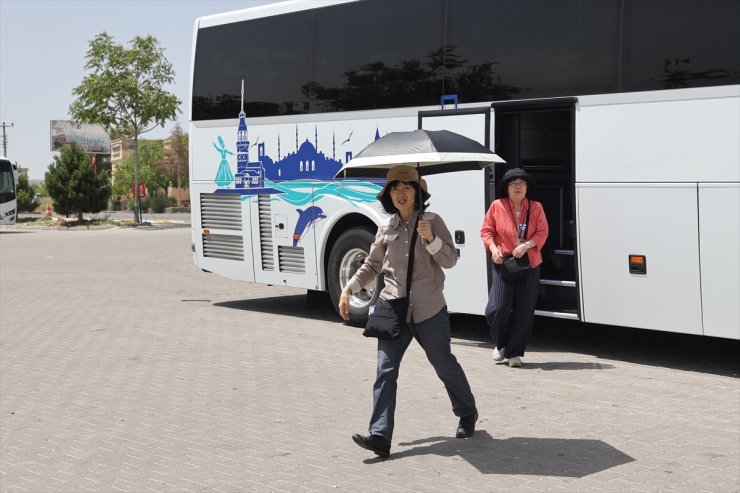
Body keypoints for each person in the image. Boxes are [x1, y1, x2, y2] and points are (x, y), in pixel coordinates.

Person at [338, 165, 478, 459]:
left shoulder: (433, 221)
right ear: (389, 195)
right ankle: (380, 436)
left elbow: (450, 260)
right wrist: (349, 287)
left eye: (407, 187)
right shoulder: (386, 227)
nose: (401, 193)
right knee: (385, 371)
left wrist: (431, 239)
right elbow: (372, 265)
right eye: (395, 188)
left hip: (429, 309)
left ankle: (467, 412)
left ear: (418, 193)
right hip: (393, 309)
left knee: (444, 366)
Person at [480, 168, 549, 368]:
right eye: (513, 183)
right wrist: (492, 249)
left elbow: (543, 232)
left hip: (530, 263)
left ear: (527, 187)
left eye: (521, 183)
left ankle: (514, 352)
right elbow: (486, 231)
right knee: (497, 308)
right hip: (504, 263)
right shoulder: (497, 206)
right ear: (506, 188)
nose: (517, 186)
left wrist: (527, 245)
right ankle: (501, 343)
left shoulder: (536, 207)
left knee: (524, 310)